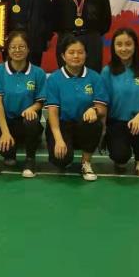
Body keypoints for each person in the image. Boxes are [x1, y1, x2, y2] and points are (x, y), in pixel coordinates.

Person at [45, 35, 108, 181]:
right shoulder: (54, 79)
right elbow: (53, 113)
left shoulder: (95, 77)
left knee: (95, 123)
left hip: (84, 124)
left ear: (86, 54)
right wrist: (59, 140)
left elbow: (102, 108)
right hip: (62, 125)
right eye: (71, 52)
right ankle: (66, 148)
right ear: (63, 56)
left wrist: (94, 110)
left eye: (80, 52)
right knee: (61, 160)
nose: (76, 56)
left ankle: (86, 162)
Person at [101, 27, 139, 177]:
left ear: (135, 46)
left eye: (128, 44)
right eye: (119, 44)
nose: (124, 49)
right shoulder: (107, 72)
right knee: (120, 158)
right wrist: (103, 129)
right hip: (116, 122)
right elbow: (103, 103)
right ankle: (120, 154)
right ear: (113, 47)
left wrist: (138, 118)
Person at [0, 30, 46, 178]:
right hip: (7, 121)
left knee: (31, 120)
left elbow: (40, 102)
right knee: (7, 154)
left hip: (27, 121)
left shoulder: (38, 73)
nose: (17, 50)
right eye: (13, 47)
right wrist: (5, 133)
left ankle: (30, 159)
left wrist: (32, 108)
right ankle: (11, 145)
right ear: (7, 50)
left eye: (21, 47)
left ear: (28, 49)